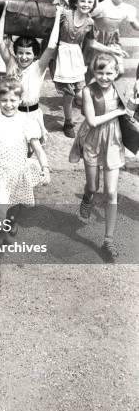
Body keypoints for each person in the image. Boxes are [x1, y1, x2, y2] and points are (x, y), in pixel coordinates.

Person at [0, 78, 51, 287]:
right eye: (4, 100)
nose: (8, 104)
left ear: (20, 99)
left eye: (13, 100)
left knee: (9, 215)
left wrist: (45, 169)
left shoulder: (27, 122)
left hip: (17, 176)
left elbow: (38, 149)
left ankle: (7, 223)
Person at [69, 54, 127, 260]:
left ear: (116, 72)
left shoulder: (121, 89)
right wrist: (119, 111)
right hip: (93, 140)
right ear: (93, 72)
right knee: (92, 187)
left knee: (111, 192)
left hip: (113, 141)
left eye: (109, 72)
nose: (104, 77)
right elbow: (92, 121)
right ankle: (87, 198)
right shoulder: (88, 91)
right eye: (99, 72)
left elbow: (131, 110)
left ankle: (108, 241)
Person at [0, 2, 63, 142]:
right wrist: (4, 11)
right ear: (15, 53)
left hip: (33, 115)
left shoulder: (38, 67)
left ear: (35, 54)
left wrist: (57, 17)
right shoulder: (11, 63)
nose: (23, 57)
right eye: (20, 53)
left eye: (28, 54)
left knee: (32, 150)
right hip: (13, 114)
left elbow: (51, 46)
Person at [52, 0, 96, 137]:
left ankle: (93, 120)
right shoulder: (65, 14)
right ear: (76, 3)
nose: (86, 4)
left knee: (81, 93)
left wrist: (111, 51)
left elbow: (90, 44)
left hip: (76, 57)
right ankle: (68, 122)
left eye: (90, 1)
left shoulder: (90, 22)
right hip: (61, 55)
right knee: (69, 94)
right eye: (83, 1)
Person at [86, 0, 138, 77]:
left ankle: (105, 85)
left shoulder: (127, 9)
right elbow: (88, 17)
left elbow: (135, 25)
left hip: (113, 40)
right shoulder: (102, 6)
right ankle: (89, 88)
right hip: (98, 38)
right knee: (93, 69)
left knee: (119, 71)